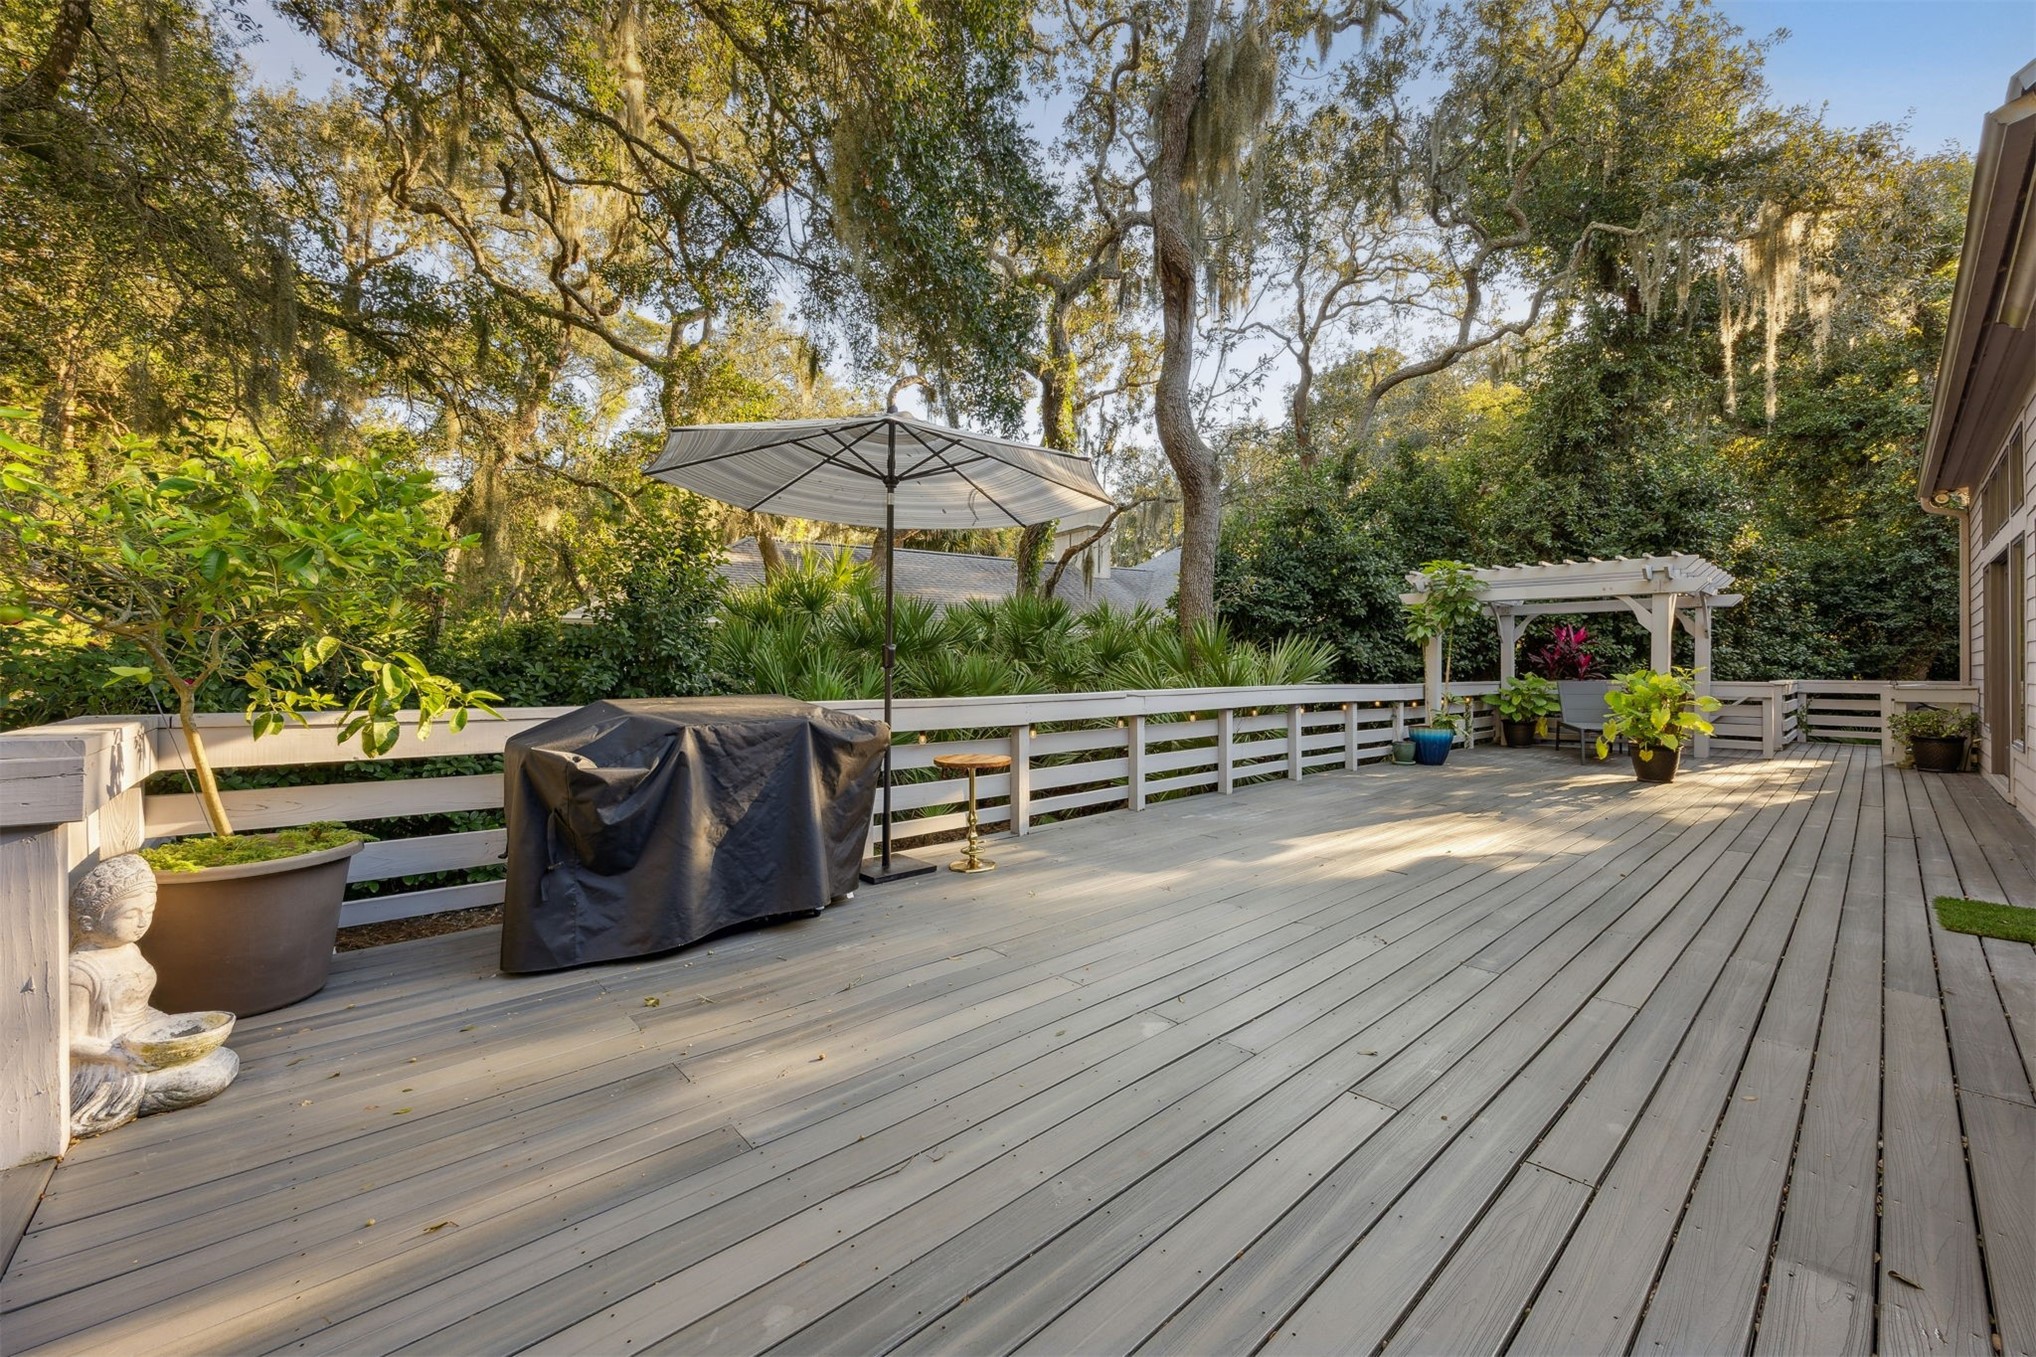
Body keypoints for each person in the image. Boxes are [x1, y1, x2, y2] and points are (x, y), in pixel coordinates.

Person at [68, 855, 238, 1138]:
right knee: (205, 1076)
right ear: (90, 921)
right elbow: (71, 1040)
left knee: (223, 1057)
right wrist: (120, 1056)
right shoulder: (81, 971)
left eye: (148, 911)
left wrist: (170, 1033)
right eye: (130, 914)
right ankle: (131, 1100)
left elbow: (141, 1009)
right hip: (112, 1064)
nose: (142, 922)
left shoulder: (130, 949)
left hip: (143, 1043)